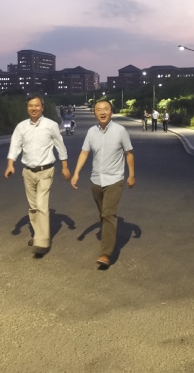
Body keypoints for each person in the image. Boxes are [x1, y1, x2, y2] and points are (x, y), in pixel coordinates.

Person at [71, 99, 135, 268]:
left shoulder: (120, 131)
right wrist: (76, 173)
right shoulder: (91, 132)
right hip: (96, 180)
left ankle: (106, 253)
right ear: (95, 113)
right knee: (103, 214)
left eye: (106, 109)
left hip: (114, 179)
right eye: (98, 109)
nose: (102, 112)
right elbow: (84, 153)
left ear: (111, 112)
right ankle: (109, 233)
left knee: (108, 213)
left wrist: (131, 175)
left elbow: (129, 153)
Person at [5, 95, 71, 256]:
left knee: (41, 205)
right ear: (27, 108)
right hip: (28, 171)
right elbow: (15, 145)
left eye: (36, 105)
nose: (33, 108)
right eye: (30, 106)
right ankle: (37, 235)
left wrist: (65, 167)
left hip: (46, 171)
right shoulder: (21, 127)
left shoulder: (51, 125)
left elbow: (60, 146)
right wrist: (10, 164)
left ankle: (42, 241)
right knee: (33, 207)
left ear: (42, 107)